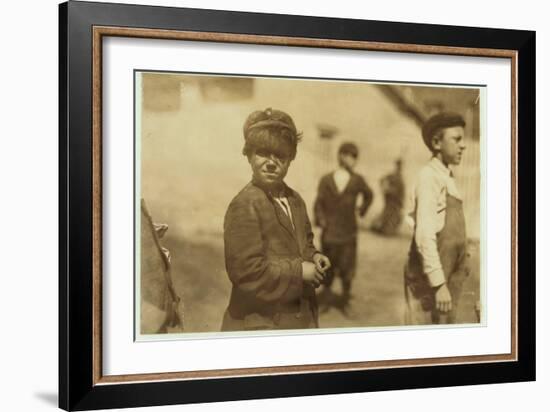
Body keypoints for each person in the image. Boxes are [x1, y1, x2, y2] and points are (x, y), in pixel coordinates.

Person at [221, 108, 331, 331]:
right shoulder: (245, 204)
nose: (271, 163)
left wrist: (314, 255)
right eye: (262, 153)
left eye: (280, 155)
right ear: (249, 155)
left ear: (291, 158)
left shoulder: (295, 200)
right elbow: (247, 272)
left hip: (298, 319)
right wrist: (300, 272)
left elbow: (303, 244)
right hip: (258, 325)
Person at [404, 112, 470, 325]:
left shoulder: (447, 178)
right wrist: (439, 284)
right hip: (429, 283)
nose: (463, 145)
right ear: (436, 142)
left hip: (449, 280)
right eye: (457, 139)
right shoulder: (429, 177)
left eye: (464, 139)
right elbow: (424, 235)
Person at [314, 142, 373, 306]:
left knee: (347, 266)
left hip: (348, 231)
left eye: (356, 157)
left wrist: (362, 210)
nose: (354, 160)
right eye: (350, 156)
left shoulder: (357, 180)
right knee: (327, 264)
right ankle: (326, 297)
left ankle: (345, 299)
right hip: (330, 232)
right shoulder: (326, 180)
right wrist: (322, 220)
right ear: (341, 156)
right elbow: (319, 203)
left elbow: (369, 195)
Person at [371, 158, 405, 236]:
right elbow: (382, 180)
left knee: (393, 219)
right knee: (385, 217)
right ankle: (382, 227)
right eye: (398, 165)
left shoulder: (400, 179)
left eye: (400, 166)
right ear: (396, 166)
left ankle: (386, 229)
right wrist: (385, 189)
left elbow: (402, 193)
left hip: (395, 203)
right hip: (390, 201)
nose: (399, 168)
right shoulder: (392, 176)